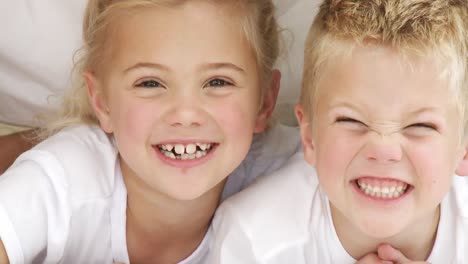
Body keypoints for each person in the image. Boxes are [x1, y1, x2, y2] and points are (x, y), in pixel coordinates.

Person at [0, 0, 302, 263]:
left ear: (264, 101)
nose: (185, 114)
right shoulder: (66, 177)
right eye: (150, 83)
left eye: (218, 82)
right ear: (102, 103)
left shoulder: (299, 168)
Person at [208, 0, 468, 263]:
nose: (383, 150)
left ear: (464, 149)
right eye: (351, 120)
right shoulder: (253, 241)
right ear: (309, 137)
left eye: (420, 126)